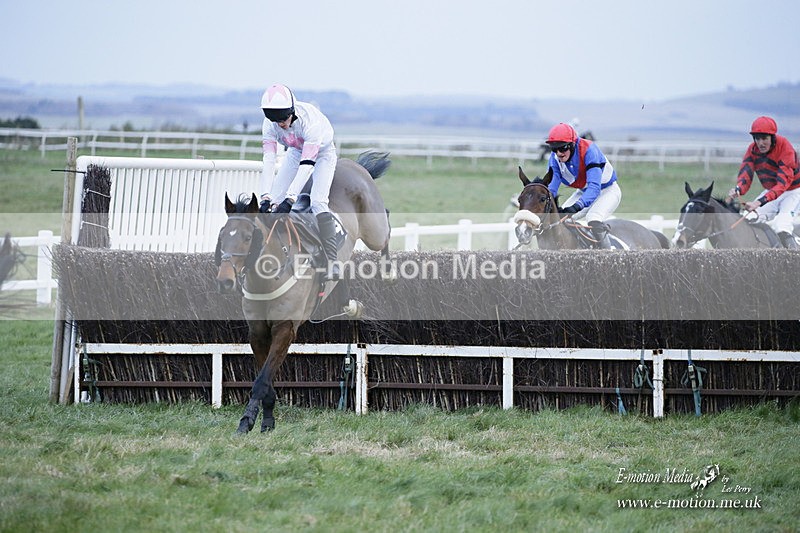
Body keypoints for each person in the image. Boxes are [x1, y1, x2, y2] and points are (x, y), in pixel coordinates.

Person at [259, 83, 342, 279]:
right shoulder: (269, 125)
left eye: (284, 119)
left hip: (322, 154)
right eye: (275, 120)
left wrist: (290, 199)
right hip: (295, 152)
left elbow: (307, 165)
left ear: (292, 111)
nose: (281, 125)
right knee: (274, 202)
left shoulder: (309, 121)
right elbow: (269, 160)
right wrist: (265, 196)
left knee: (318, 202)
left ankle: (332, 262)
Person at [725, 116, 800, 249]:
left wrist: (759, 202)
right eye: (757, 138)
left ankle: (794, 265)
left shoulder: (785, 147)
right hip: (772, 191)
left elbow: (782, 184)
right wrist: (738, 190)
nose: (761, 143)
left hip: (793, 191)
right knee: (748, 219)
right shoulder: (752, 150)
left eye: (764, 138)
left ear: (772, 138)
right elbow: (745, 174)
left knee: (781, 226)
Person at [544, 122, 621, 248]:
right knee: (561, 220)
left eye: (562, 148)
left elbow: (594, 188)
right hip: (583, 192)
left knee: (593, 218)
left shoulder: (589, 150)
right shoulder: (555, 158)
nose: (558, 153)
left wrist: (577, 206)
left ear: (572, 144)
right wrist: (547, 203)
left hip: (607, 191)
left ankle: (609, 258)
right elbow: (552, 186)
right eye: (554, 148)